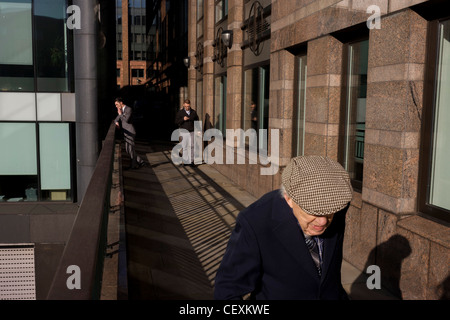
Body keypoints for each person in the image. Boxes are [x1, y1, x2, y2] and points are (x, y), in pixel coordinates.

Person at [214, 155, 353, 300]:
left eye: (329, 211)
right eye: (313, 211)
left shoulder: (338, 205)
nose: (323, 221)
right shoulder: (256, 222)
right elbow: (227, 291)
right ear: (289, 199)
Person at [114, 97, 146, 169]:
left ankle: (133, 165)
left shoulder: (128, 109)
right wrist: (116, 122)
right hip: (126, 132)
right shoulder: (122, 110)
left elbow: (126, 120)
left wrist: (120, 114)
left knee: (130, 149)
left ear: (121, 103)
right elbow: (117, 118)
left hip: (130, 132)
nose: (116, 106)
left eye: (116, 104)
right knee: (128, 150)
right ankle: (140, 161)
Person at [175, 99, 199, 167]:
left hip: (191, 131)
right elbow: (176, 121)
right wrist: (183, 119)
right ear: (183, 105)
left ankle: (191, 161)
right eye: (185, 106)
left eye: (188, 106)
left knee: (192, 146)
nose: (187, 108)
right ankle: (185, 161)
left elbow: (197, 121)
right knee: (184, 146)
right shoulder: (180, 112)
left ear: (190, 105)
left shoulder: (193, 112)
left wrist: (199, 130)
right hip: (183, 131)